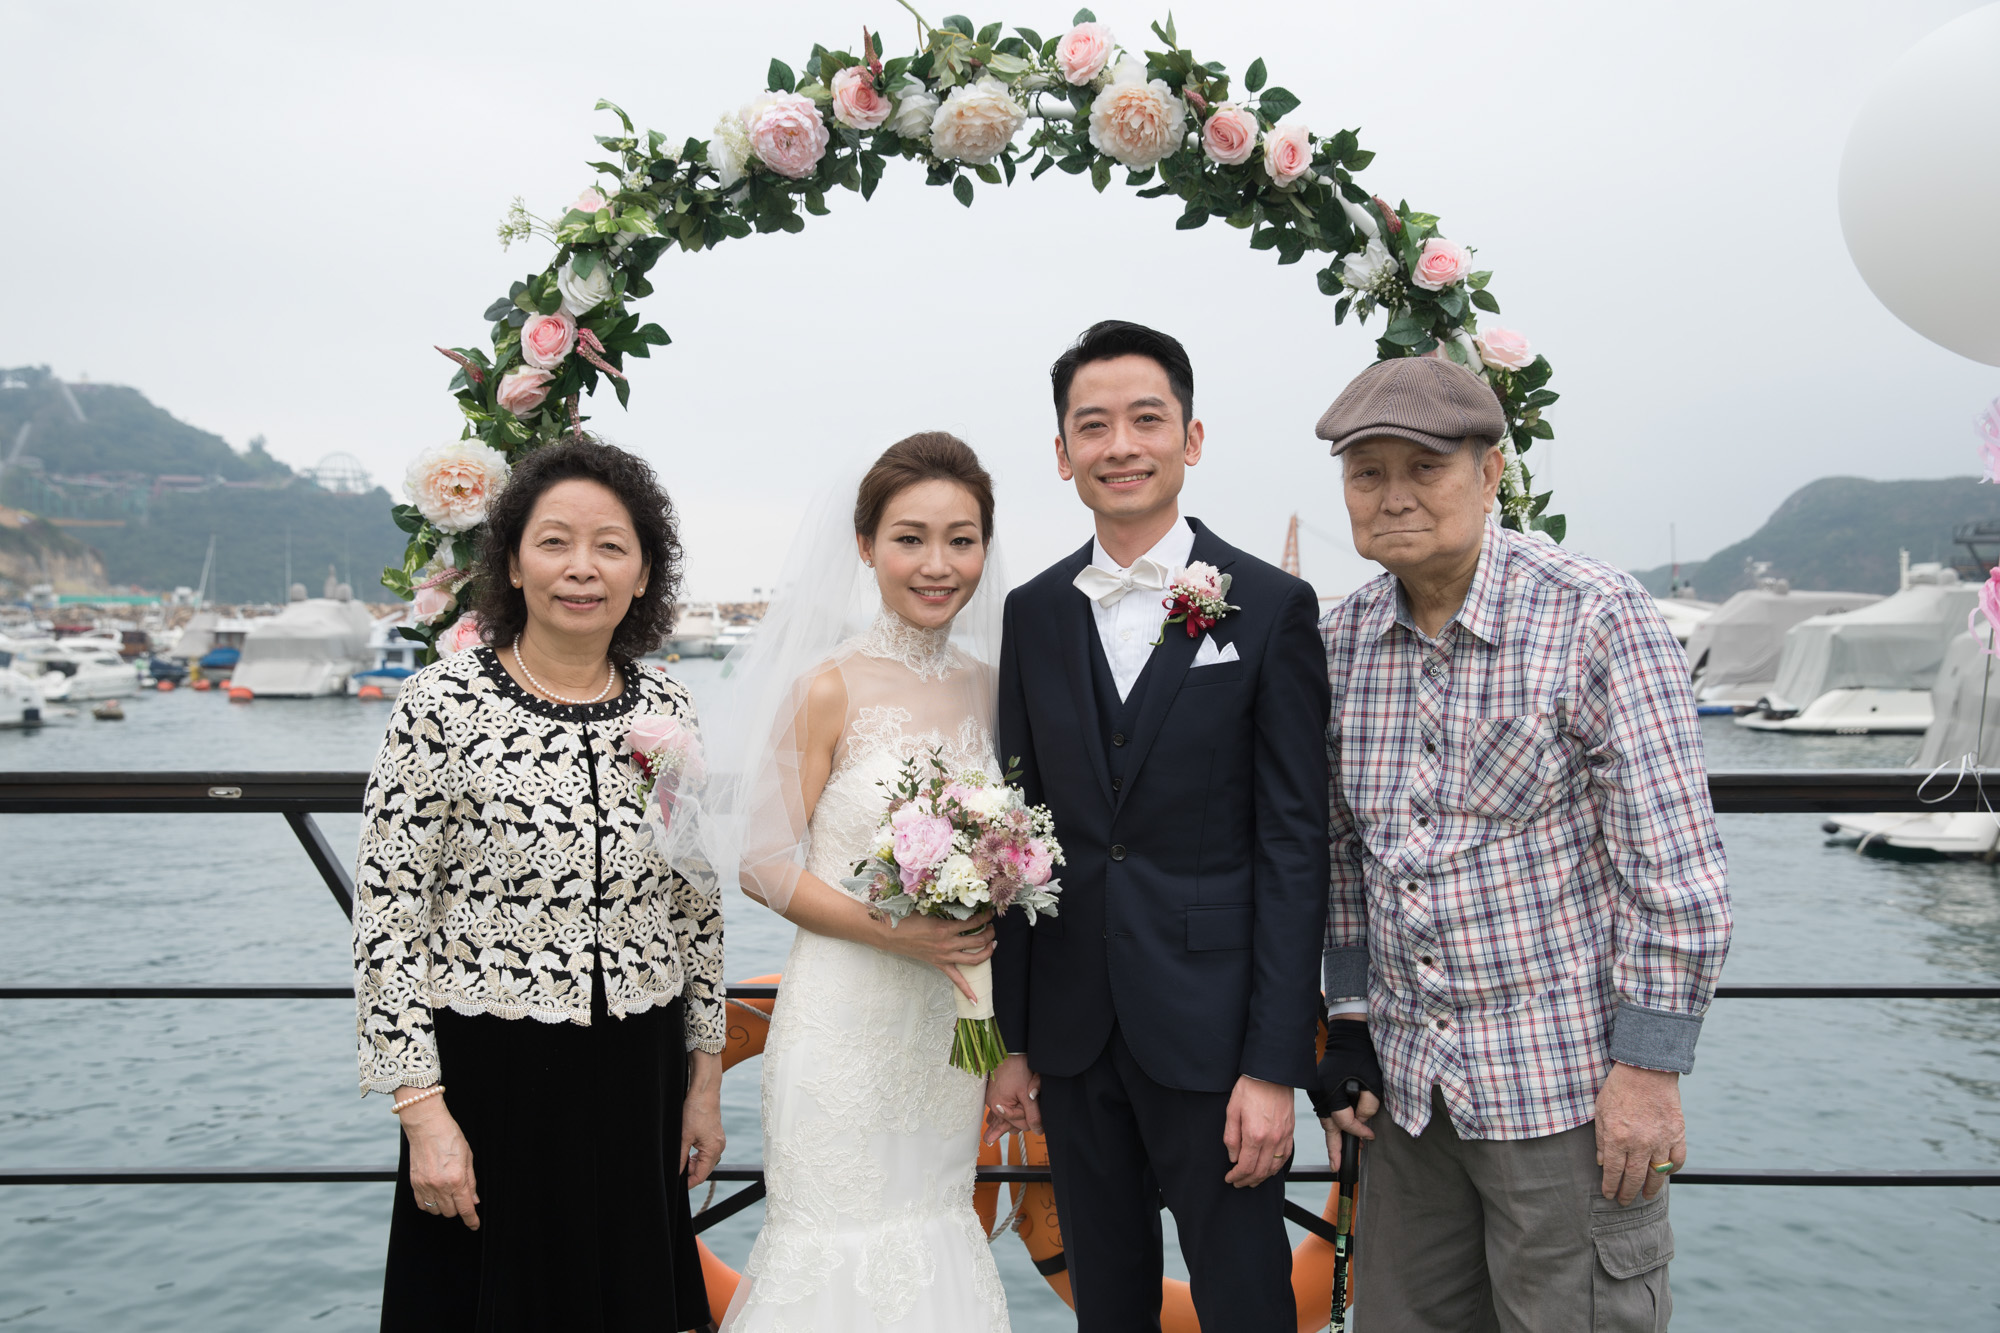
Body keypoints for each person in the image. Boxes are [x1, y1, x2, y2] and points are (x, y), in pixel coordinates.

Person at [1311, 356, 1733, 1332]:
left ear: (1490, 472)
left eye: (1424, 468)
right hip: (1409, 1103)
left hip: (1567, 1097)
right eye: (1367, 473)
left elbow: (1674, 870)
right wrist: (1348, 1020)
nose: (1393, 495)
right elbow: (1341, 859)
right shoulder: (1341, 643)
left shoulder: (1594, 615)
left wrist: (1648, 1070)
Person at [985, 320, 1332, 1331]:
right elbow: (1019, 835)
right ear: (1062, 454)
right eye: (1092, 426)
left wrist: (1273, 1065)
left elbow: (1293, 844)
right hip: (1073, 1034)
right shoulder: (1032, 612)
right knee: (1106, 1302)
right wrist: (1015, 1039)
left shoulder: (1270, 605)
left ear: (1191, 437)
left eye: (1146, 419)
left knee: (1245, 1300)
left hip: (1216, 1038)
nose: (1120, 445)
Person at [352, 436, 723, 1332]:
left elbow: (696, 904)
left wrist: (704, 1081)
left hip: (637, 1073)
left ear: (644, 573)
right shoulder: (440, 704)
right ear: (513, 562)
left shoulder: (668, 709)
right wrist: (422, 1114)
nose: (581, 567)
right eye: (554, 541)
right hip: (490, 1077)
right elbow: (387, 916)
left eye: (611, 545)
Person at [714, 432, 1011, 1332]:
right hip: (845, 1019)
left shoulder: (995, 688)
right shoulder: (826, 686)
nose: (937, 564)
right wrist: (896, 930)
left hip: (948, 1029)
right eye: (909, 538)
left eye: (961, 539)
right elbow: (763, 862)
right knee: (832, 1242)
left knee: (933, 1227)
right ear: (865, 545)